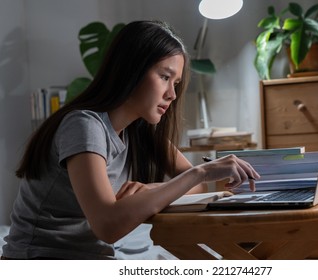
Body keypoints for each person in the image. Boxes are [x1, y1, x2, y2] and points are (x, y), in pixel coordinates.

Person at [1, 20, 260, 260]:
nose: (172, 94)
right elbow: (107, 225)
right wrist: (201, 171)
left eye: (176, 83)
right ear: (131, 70)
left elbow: (197, 188)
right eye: (165, 77)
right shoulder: (84, 125)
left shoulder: (139, 131)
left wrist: (153, 189)